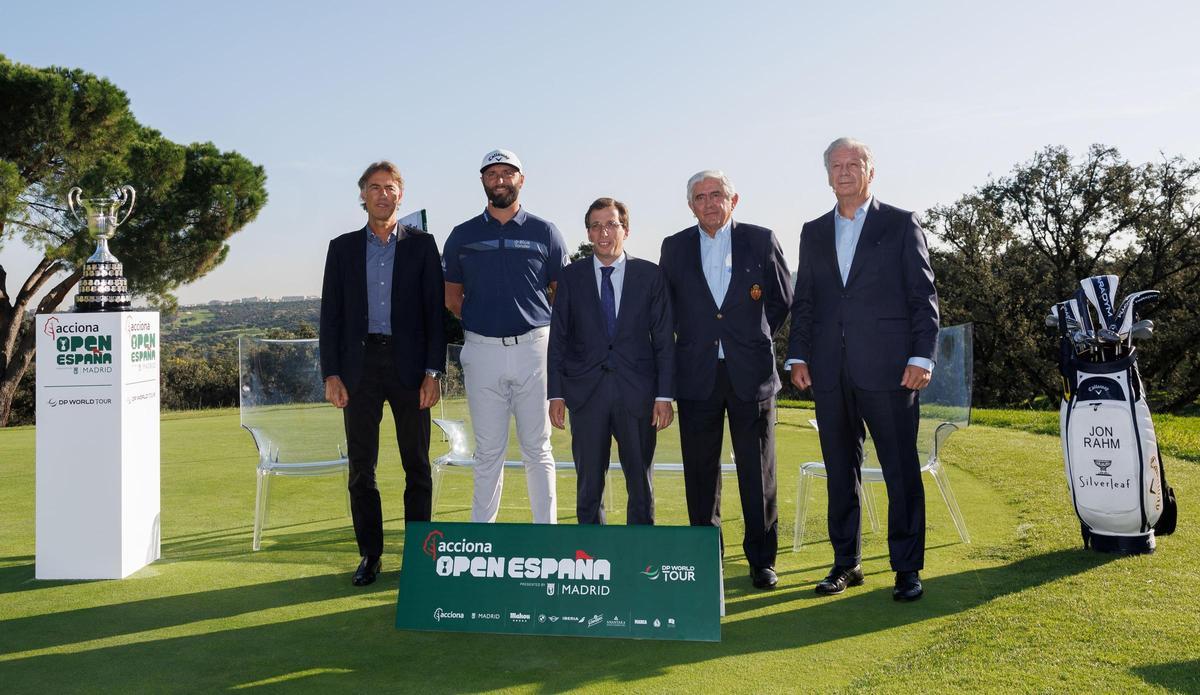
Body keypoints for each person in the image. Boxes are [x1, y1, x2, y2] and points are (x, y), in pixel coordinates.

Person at [787, 137, 939, 602]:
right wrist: (798, 355)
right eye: (837, 165)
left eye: (854, 164)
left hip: (893, 371)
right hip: (830, 372)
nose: (845, 171)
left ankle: (907, 568)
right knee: (839, 470)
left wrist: (921, 357)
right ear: (827, 174)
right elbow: (806, 301)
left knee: (900, 470)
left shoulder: (900, 223)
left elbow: (922, 296)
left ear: (871, 171)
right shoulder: (813, 231)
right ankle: (845, 563)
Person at [658, 170, 792, 589]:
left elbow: (783, 300)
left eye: (718, 194)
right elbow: (667, 311)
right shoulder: (674, 247)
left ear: (734, 201)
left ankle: (762, 561)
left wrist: (748, 340)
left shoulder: (762, 239)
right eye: (700, 196)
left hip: (750, 375)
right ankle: (705, 561)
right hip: (697, 376)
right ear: (690, 205)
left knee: (757, 471)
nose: (710, 202)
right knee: (700, 474)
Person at [319, 161, 446, 587]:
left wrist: (434, 371)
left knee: (417, 465)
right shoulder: (341, 249)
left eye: (389, 187)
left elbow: (435, 315)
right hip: (359, 369)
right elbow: (330, 317)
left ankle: (419, 556)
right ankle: (370, 555)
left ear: (400, 195)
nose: (382, 194)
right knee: (362, 468)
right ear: (363, 195)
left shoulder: (423, 246)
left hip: (411, 369)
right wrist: (332, 373)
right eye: (374, 188)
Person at [443, 149, 568, 524]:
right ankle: (483, 535)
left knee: (538, 448)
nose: (500, 179)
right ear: (483, 180)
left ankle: (544, 535)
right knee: (488, 451)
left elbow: (561, 292)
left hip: (535, 349)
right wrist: (487, 323)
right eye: (492, 173)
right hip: (482, 351)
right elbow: (452, 297)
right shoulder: (462, 235)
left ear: (521, 180)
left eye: (508, 173)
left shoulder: (544, 231)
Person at [547, 198, 675, 525]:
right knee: (589, 486)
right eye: (595, 226)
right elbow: (558, 339)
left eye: (611, 224)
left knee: (640, 485)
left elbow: (663, 340)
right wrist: (556, 394)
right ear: (588, 233)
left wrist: (664, 396)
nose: (603, 232)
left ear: (625, 230)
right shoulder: (571, 277)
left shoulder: (650, 275)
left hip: (638, 396)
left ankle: (640, 558)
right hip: (586, 396)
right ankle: (593, 560)